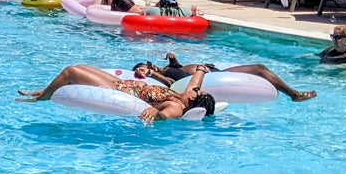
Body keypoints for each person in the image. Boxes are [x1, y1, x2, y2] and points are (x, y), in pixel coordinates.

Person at [19, 64, 215, 124]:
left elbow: (162, 116)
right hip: (121, 83)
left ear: (192, 102)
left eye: (195, 93)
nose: (193, 90)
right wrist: (201, 69)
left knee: (71, 72)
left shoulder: (176, 107)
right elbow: (195, 81)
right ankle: (45, 90)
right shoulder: (184, 96)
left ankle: (41, 97)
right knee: (80, 66)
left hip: (117, 91)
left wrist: (155, 113)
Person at [138, 52, 316, 101]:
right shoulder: (164, 77)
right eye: (145, 67)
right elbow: (172, 82)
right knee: (260, 69)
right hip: (215, 77)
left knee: (260, 68)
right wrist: (154, 73)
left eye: (148, 64)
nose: (149, 66)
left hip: (216, 71)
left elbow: (180, 70)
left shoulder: (169, 67)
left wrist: (174, 60)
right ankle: (294, 95)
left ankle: (292, 93)